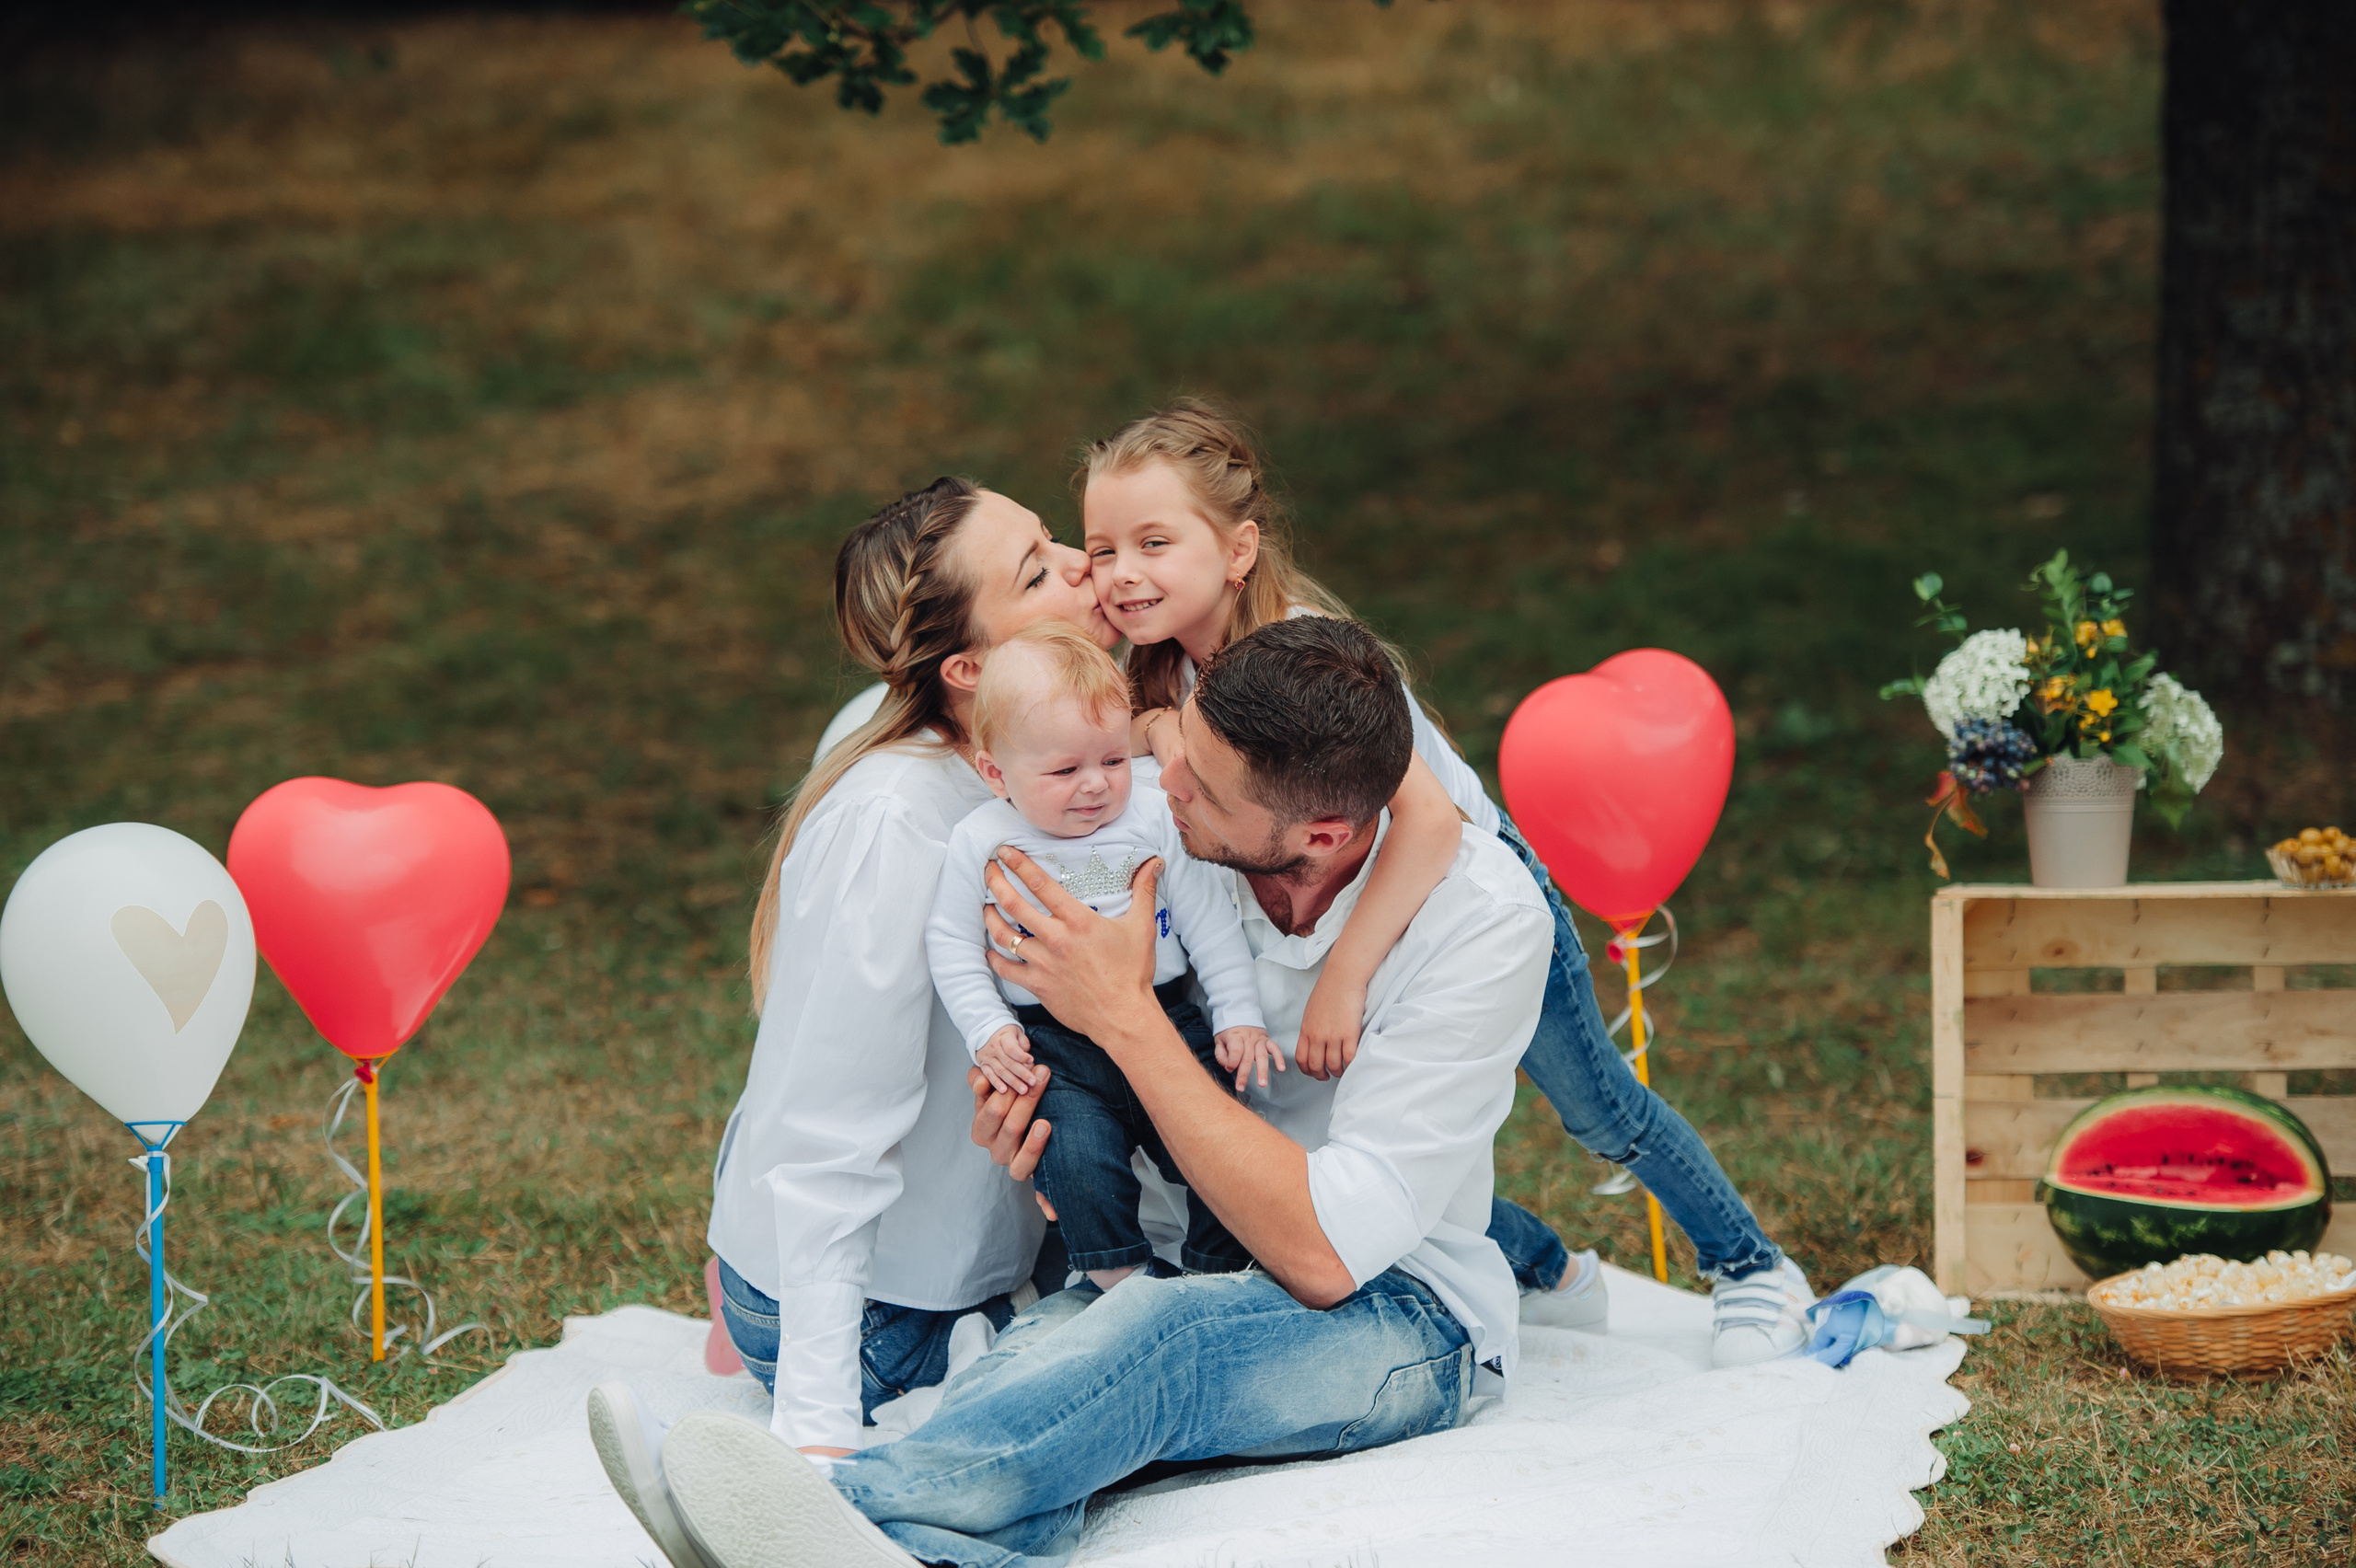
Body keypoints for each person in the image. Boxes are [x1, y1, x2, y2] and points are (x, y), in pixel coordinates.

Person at [618, 616, 1558, 1568]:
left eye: (1200, 785)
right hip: (1160, 1257)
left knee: (1160, 1340)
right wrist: (1035, 1107)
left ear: (1321, 834)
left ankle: (829, 1515)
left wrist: (1124, 1018)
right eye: (1178, 751)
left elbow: (1325, 1257)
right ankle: (916, 1552)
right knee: (1035, 1377)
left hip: (1399, 1308)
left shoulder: (1481, 927)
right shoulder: (1173, 832)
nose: (1163, 783)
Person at [1083, 400, 1813, 1364]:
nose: (1121, 572)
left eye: (1153, 542)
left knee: (1597, 1106)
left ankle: (1753, 1264)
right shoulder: (1163, 672)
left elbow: (1428, 824)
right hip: (1330, 902)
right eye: (1099, 549)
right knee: (1350, 1149)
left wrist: (1346, 977)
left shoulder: (1310, 652)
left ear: (1238, 549)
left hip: (1453, 900)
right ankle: (1548, 1270)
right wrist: (1155, 723)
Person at [590, 478, 1126, 1568]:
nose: (1083, 563)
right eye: (1036, 571)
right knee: (1119, 1375)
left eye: (1050, 540)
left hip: (961, 1248)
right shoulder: (896, 818)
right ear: (965, 669)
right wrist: (815, 1439)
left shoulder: (1055, 752)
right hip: (879, 1308)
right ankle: (831, 1520)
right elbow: (830, 1132)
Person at [926, 620, 1276, 1287]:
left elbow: (1208, 922)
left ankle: (1219, 1271)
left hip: (1165, 1018)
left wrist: (1238, 1014)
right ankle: (1120, 1283)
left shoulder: (1150, 816)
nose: (1095, 786)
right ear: (995, 773)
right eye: (1065, 771)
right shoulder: (982, 838)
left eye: (1113, 761)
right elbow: (950, 940)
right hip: (1054, 1044)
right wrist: (988, 1028)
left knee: (1219, 1135)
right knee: (1076, 1160)